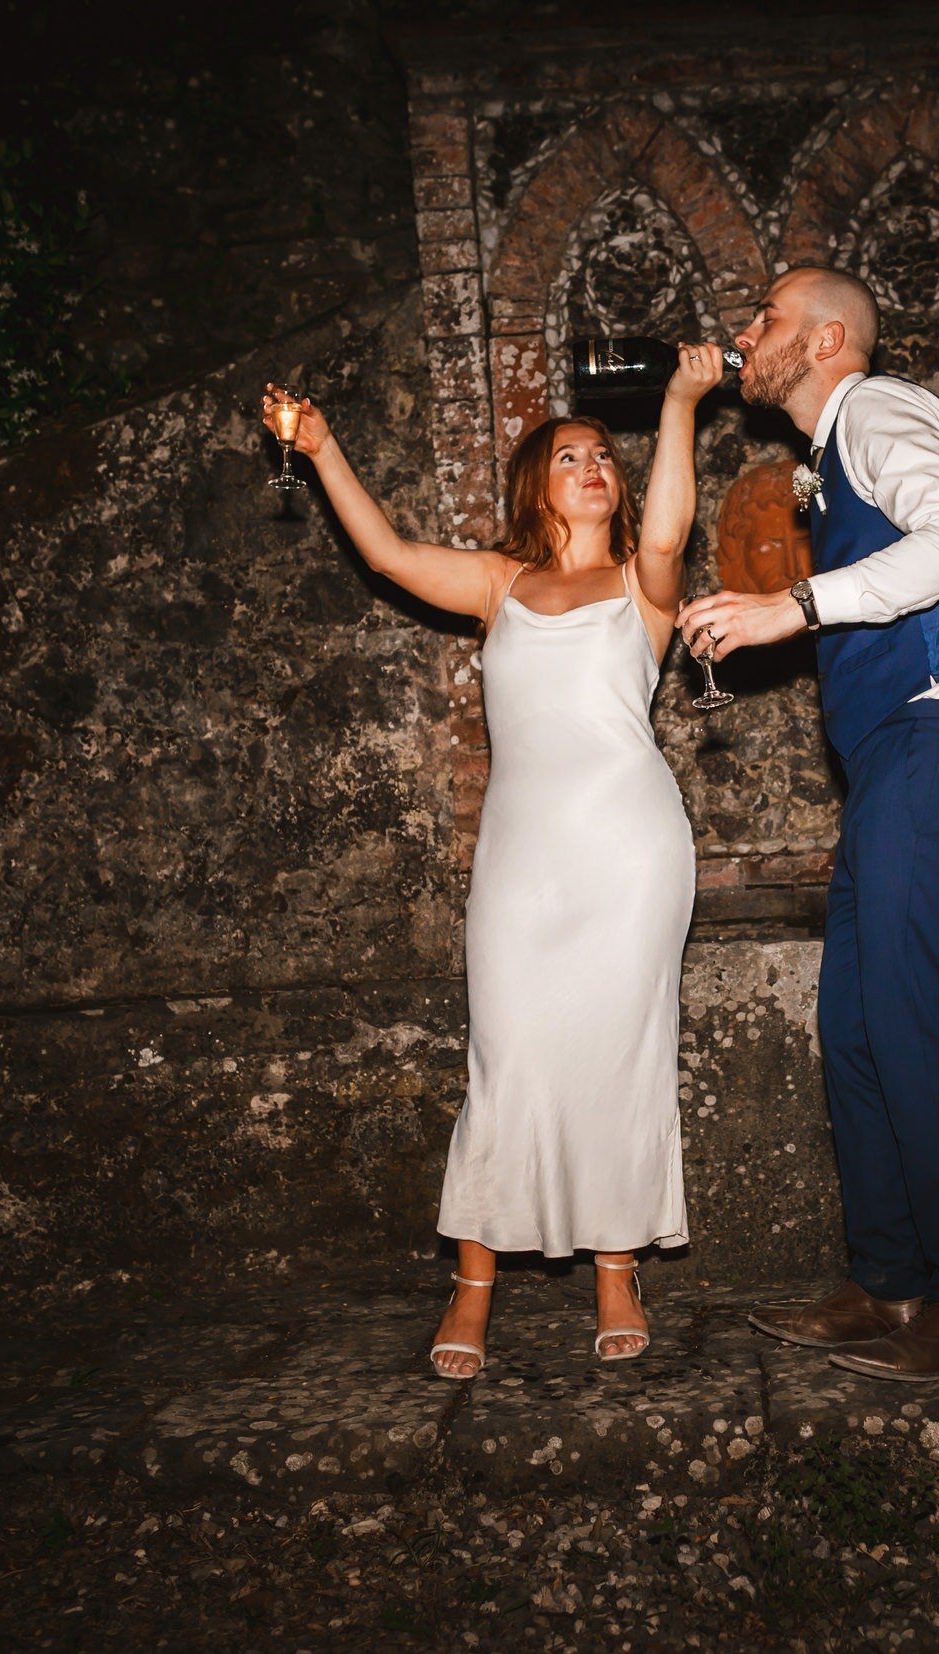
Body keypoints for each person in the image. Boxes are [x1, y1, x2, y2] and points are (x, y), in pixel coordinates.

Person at [262, 344, 724, 1378]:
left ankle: (616, 1269)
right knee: (507, 1056)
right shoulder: (499, 583)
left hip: (629, 850)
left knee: (618, 1054)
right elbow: (383, 554)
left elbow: (670, 527)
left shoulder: (643, 585)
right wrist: (325, 447)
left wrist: (679, 403)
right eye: (570, 456)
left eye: (604, 453)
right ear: (535, 483)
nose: (594, 466)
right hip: (524, 856)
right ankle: (472, 1282)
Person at [676, 267, 939, 1384]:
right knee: (856, 1030)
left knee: (907, 1029)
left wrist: (794, 605)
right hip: (893, 765)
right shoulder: (823, 461)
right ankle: (888, 1283)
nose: (745, 335)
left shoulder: (877, 408)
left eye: (766, 319)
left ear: (829, 339)